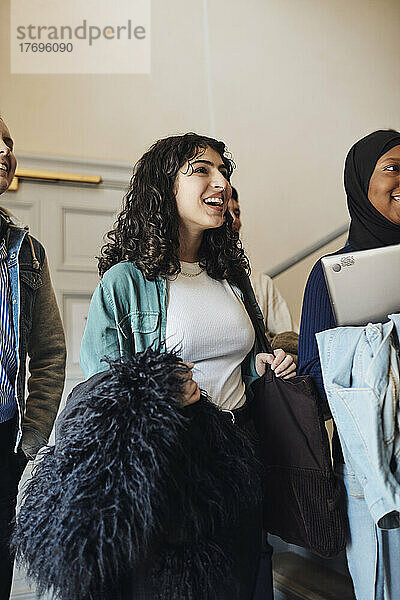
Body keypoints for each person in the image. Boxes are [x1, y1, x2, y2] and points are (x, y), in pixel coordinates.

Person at [80, 132, 296, 598]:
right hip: (173, 466)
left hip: (241, 454)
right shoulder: (127, 281)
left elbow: (236, 365)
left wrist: (265, 363)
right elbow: (100, 381)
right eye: (202, 170)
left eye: (224, 171)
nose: (220, 181)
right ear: (165, 187)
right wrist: (159, 390)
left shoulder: (231, 277)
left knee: (239, 582)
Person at [298, 129, 400, 599]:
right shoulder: (330, 276)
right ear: (361, 183)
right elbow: (314, 382)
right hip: (370, 468)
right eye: (393, 168)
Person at [0, 116, 66, 599]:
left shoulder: (28, 253)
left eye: (8, 142)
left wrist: (33, 436)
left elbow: (48, 353)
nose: (5, 151)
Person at [228, 186, 298, 355]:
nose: (234, 220)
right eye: (225, 213)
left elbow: (291, 338)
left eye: (237, 213)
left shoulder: (260, 282)